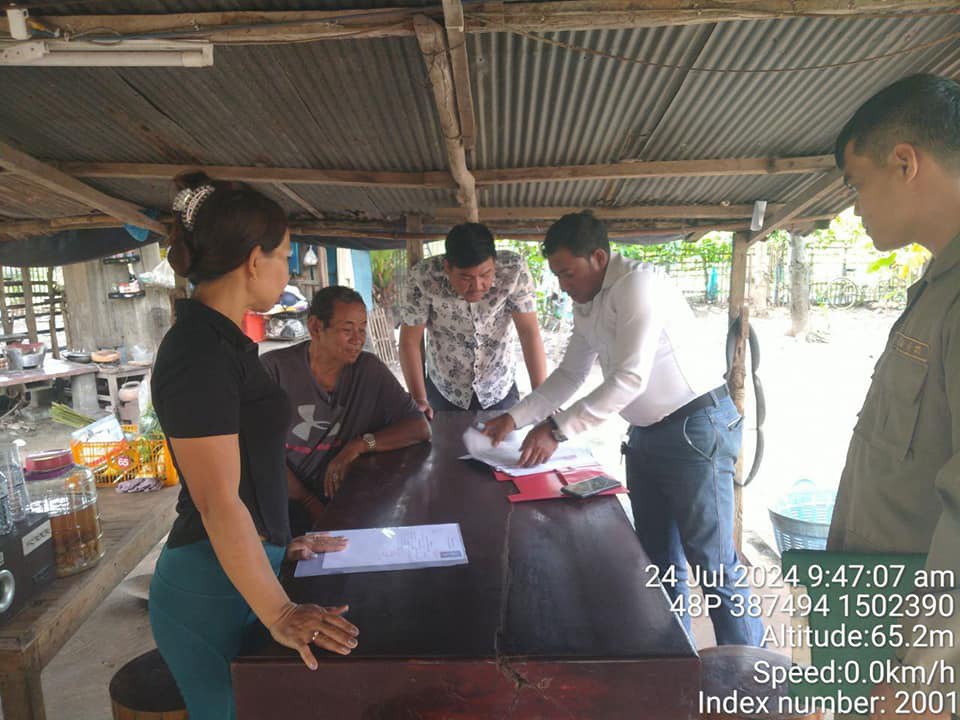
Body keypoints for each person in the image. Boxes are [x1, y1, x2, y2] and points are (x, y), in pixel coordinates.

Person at [482, 211, 764, 647]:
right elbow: (571, 374)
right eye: (557, 275)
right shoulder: (589, 303)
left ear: (598, 257)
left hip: (695, 430)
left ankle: (753, 675)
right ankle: (674, 660)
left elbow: (629, 379)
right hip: (647, 436)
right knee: (658, 561)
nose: (563, 285)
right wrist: (515, 418)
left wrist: (556, 429)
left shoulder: (637, 285)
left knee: (713, 566)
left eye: (568, 273)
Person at [150, 172, 359, 720]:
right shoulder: (198, 353)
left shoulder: (226, 342)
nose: (289, 270)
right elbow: (217, 501)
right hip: (208, 589)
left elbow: (244, 470)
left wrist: (276, 543)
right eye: (285, 256)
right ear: (252, 261)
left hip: (244, 569)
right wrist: (281, 611)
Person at [828, 74, 960, 719]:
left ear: (905, 162)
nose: (856, 208)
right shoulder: (938, 287)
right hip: (880, 615)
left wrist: (922, 676)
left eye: (857, 184)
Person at [261, 286, 431, 535]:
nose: (358, 339)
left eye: (362, 329)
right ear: (315, 328)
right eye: (347, 329)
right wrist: (309, 502)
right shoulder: (273, 371)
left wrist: (360, 445)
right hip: (285, 502)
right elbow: (260, 456)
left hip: (347, 500)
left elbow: (419, 428)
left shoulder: (369, 370)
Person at [399, 222, 547, 418]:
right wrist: (419, 398)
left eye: (485, 274)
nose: (477, 285)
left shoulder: (514, 270)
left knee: (505, 438)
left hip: (498, 385)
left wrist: (542, 397)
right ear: (447, 267)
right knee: (443, 438)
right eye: (466, 278)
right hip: (445, 388)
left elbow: (529, 332)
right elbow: (409, 341)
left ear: (494, 263)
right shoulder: (423, 278)